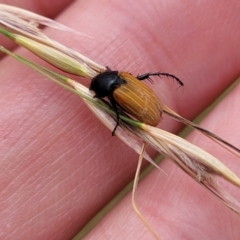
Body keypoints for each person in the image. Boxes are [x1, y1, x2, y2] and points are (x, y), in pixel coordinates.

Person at [0, 0, 240, 239]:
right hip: (146, 104)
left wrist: (116, 121)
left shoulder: (115, 93)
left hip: (147, 109)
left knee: (122, 105)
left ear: (102, 93)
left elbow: (117, 110)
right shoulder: (121, 78)